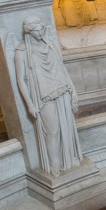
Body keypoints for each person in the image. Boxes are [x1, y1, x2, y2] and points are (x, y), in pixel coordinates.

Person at [14, 16, 84, 177]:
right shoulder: (21, 51)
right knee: (52, 130)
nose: (40, 32)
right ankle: (54, 164)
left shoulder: (50, 44)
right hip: (43, 96)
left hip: (62, 90)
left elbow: (62, 68)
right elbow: (20, 80)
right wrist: (30, 104)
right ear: (29, 31)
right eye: (36, 30)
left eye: (41, 29)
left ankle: (69, 157)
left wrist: (73, 90)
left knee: (67, 126)